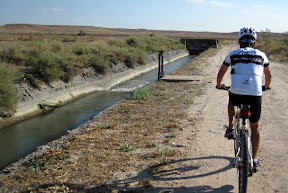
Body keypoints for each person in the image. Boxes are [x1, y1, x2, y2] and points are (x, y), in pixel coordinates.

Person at [216, 27, 272, 172]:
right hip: (255, 93)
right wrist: (265, 87)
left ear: (240, 41)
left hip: (236, 92)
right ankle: (254, 159)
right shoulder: (261, 55)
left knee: (232, 101)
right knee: (255, 127)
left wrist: (219, 85)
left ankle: (230, 127)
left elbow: (221, 72)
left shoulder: (233, 53)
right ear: (253, 42)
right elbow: (268, 75)